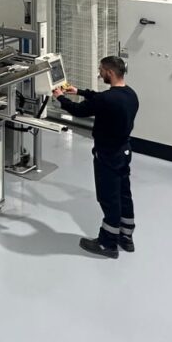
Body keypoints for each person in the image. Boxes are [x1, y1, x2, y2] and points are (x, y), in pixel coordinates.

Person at [52, 56, 139, 259]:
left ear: (110, 72)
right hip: (124, 151)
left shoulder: (107, 100)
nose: (99, 73)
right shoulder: (130, 94)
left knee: (109, 198)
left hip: (107, 154)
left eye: (101, 70)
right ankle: (126, 237)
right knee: (124, 194)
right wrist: (79, 91)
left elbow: (78, 110)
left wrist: (60, 98)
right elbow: (100, 98)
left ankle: (107, 243)